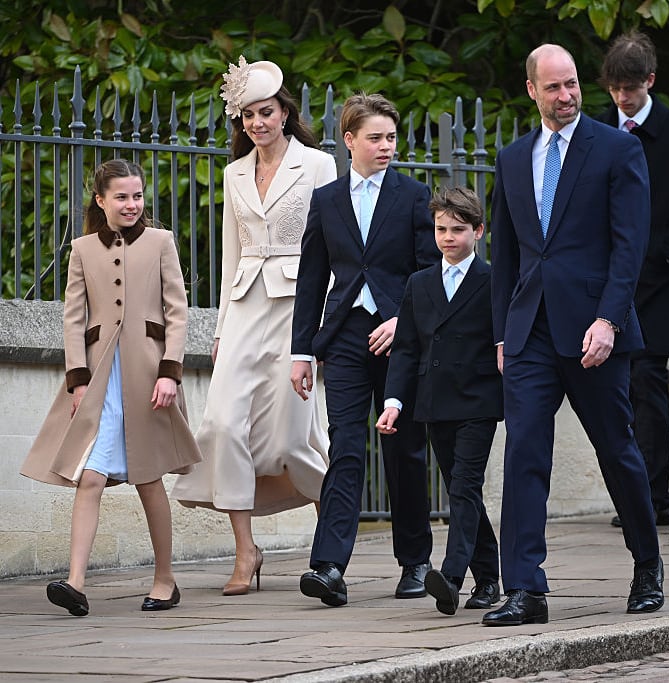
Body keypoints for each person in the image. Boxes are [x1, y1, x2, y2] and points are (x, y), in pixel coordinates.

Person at [485, 43, 664, 626]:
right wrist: (502, 335)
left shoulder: (617, 148)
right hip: (530, 331)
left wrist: (610, 319)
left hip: (594, 330)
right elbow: (506, 256)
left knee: (617, 450)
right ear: (532, 89)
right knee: (524, 454)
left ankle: (646, 564)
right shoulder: (512, 158)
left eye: (572, 84)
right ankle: (525, 589)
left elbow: (629, 244)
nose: (566, 96)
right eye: (554, 87)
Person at [171, 57, 336, 596]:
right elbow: (231, 253)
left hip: (299, 308)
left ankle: (330, 549)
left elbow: (333, 248)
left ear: (285, 113)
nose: (257, 123)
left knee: (294, 434)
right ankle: (246, 551)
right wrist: (220, 326)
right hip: (243, 309)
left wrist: (324, 329)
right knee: (221, 426)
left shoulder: (317, 165)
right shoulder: (233, 173)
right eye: (248, 116)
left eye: (266, 112)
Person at [20, 159, 202, 616]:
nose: (131, 204)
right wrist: (77, 380)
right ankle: (75, 583)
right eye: (121, 196)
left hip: (147, 377)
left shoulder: (161, 243)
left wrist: (169, 371)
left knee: (147, 477)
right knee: (91, 476)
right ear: (100, 201)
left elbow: (177, 311)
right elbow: (74, 318)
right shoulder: (81, 249)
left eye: (137, 196)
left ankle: (166, 579)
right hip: (101, 380)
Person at [290, 93, 437, 607]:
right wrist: (302, 351)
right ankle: (328, 565)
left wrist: (405, 322)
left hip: (401, 337)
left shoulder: (415, 195)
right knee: (346, 448)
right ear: (349, 140)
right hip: (347, 336)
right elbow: (311, 279)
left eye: (391, 137)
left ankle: (415, 561)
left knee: (403, 449)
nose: (386, 146)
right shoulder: (326, 199)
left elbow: (428, 272)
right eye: (375, 137)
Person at [375, 186, 503, 616]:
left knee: (464, 487)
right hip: (434, 403)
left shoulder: (494, 280)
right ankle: (488, 578)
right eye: (441, 229)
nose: (448, 237)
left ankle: (451, 576)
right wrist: (394, 401)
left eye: (458, 229)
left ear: (479, 232)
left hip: (480, 400)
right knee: (461, 490)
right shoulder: (420, 282)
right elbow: (407, 348)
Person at [595, 31, 669, 530]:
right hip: (610, 277)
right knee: (617, 385)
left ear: (650, 81)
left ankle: (654, 494)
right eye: (616, 87)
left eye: (631, 87)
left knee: (648, 379)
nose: (623, 97)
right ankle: (632, 492)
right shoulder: (595, 130)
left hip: (660, 275)